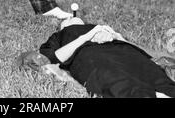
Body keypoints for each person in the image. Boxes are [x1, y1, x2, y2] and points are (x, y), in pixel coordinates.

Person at [38, 16, 175, 98]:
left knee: (154, 75)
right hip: (92, 56)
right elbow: (51, 58)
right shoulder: (61, 35)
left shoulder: (98, 27)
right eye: (66, 19)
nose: (71, 17)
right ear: (62, 26)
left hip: (125, 52)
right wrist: (87, 36)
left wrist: (118, 36)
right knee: (116, 78)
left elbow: (143, 52)